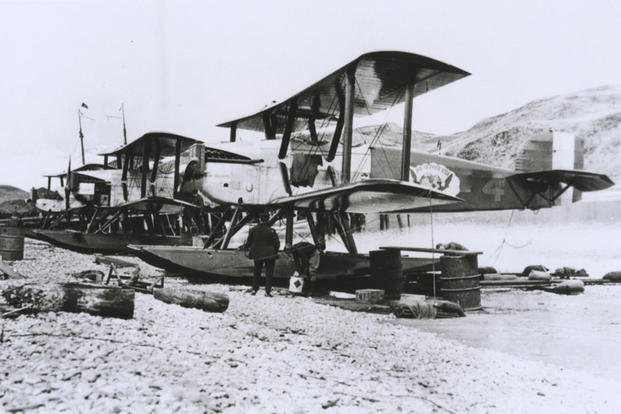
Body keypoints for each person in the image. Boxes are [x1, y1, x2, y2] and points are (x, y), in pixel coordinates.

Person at [245, 213, 280, 296]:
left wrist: (245, 247)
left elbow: (249, 243)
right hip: (270, 254)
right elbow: (277, 244)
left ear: (260, 219)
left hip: (257, 254)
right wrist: (274, 251)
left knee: (257, 271)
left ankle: (254, 289)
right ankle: (267, 291)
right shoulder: (271, 230)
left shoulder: (253, 230)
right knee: (269, 273)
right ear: (267, 219)